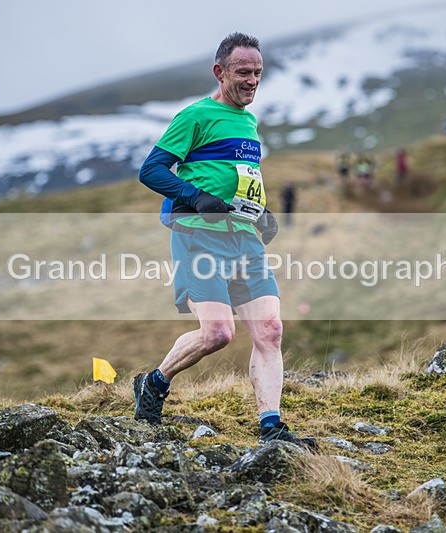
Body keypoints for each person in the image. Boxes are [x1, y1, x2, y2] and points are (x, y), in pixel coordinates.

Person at [135, 32, 315, 448]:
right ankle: (154, 384)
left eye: (258, 73)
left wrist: (261, 212)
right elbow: (152, 170)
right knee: (218, 333)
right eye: (243, 72)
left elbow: (240, 179)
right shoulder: (194, 116)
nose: (252, 81)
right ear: (220, 72)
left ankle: (271, 425)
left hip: (244, 240)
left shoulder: (249, 122)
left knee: (270, 330)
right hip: (199, 237)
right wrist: (195, 197)